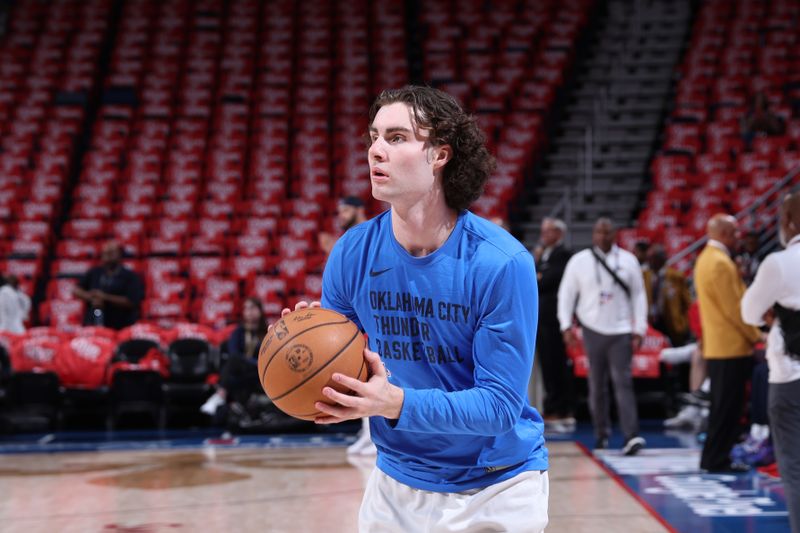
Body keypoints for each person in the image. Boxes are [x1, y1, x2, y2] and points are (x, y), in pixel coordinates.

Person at [281, 86, 548, 532]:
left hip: (494, 485)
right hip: (396, 479)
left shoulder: (501, 263)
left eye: (397, 137)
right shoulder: (351, 253)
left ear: (439, 156)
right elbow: (341, 379)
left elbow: (501, 407)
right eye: (373, 137)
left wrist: (396, 402)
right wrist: (308, 347)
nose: (375, 151)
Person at [557, 217, 648, 455]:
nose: (603, 236)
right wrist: (566, 325)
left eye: (607, 232)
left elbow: (639, 296)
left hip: (621, 330)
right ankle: (601, 434)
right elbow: (566, 294)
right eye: (599, 232)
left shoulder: (628, 261)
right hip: (591, 328)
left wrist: (639, 329)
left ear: (615, 234)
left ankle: (632, 435)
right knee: (596, 386)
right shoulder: (580, 261)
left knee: (623, 383)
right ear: (593, 234)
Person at [742, 192, 800, 532]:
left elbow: (749, 311)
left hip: (791, 378)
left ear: (789, 222)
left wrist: (773, 311)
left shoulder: (780, 263)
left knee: (793, 467)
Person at [693, 214, 761, 472]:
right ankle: (717, 458)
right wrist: (756, 336)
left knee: (722, 406)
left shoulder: (705, 259)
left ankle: (714, 457)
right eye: (733, 233)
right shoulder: (720, 262)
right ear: (722, 233)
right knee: (727, 408)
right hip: (730, 346)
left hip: (719, 345)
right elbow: (736, 309)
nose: (737, 238)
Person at [318, 196, 374, 455]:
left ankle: (373, 435)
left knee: (378, 372)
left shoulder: (372, 234)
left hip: (373, 305)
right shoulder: (347, 241)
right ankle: (367, 433)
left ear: (359, 210)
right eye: (339, 210)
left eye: (346, 210)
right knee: (363, 374)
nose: (341, 215)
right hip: (353, 308)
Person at [533, 217, 574, 432]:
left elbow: (547, 280)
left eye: (548, 231)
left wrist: (540, 275)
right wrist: (539, 273)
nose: (544, 234)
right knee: (546, 365)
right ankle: (551, 405)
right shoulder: (542, 254)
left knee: (556, 363)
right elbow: (536, 277)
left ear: (559, 233)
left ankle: (562, 408)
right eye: (543, 230)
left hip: (554, 317)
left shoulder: (564, 255)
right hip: (541, 317)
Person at [201, 297, 268, 415]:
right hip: (246, 369)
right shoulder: (239, 331)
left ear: (260, 311)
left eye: (252, 308)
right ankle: (222, 398)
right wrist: (253, 363)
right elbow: (233, 352)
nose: (249, 312)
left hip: (262, 372)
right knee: (233, 360)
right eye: (246, 309)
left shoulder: (267, 331)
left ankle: (220, 394)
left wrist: (258, 364)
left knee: (235, 367)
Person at [73, 241, 144, 330]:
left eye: (111, 253)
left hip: (122, 326)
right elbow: (76, 290)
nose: (108, 256)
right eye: (105, 253)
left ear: (120, 254)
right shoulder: (94, 272)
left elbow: (132, 301)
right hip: (94, 324)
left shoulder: (131, 276)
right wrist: (91, 297)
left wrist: (105, 297)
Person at [644, 244, 692, 347]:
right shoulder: (644, 276)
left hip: (671, 322)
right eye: (648, 258)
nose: (648, 262)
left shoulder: (676, 276)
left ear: (662, 259)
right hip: (651, 321)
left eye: (652, 258)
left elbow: (687, 303)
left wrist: (684, 323)